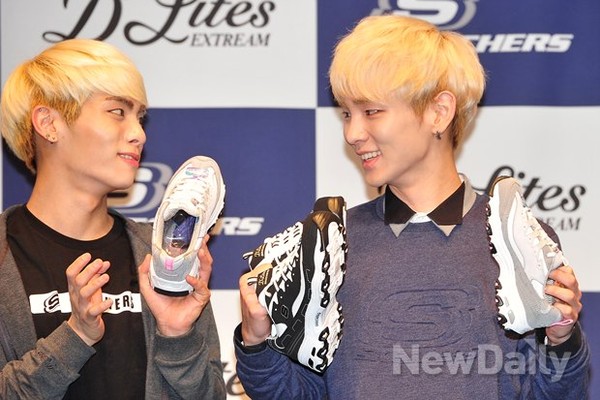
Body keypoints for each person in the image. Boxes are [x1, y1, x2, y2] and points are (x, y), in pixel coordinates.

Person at [233, 15, 590, 399]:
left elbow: (552, 393)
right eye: (346, 114)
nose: (352, 133)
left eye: (371, 111)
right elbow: (300, 394)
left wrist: (562, 338)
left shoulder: (522, 240)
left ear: (439, 112)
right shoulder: (330, 246)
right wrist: (256, 341)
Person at [0, 39, 226, 399]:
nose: (139, 134)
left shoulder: (161, 255)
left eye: (140, 117)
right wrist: (75, 335)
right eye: (117, 111)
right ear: (48, 123)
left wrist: (177, 336)